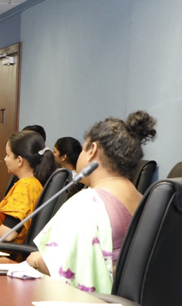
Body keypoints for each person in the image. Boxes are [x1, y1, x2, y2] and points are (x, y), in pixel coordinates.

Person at [27, 112, 157, 293]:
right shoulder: (147, 202)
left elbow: (56, 269)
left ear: (92, 150)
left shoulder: (87, 204)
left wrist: (34, 260)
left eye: (82, 149)